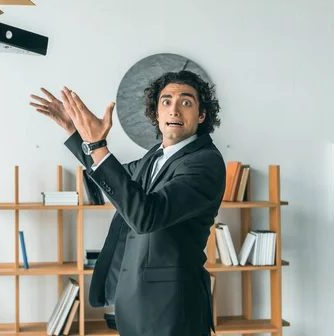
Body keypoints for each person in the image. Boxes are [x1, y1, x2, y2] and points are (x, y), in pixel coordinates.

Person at [29, 69, 226, 336]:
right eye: (166, 102)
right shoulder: (155, 155)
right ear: (156, 114)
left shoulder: (205, 162)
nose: (174, 110)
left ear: (202, 115)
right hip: (134, 302)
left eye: (186, 102)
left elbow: (146, 217)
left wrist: (97, 142)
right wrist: (76, 133)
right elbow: (115, 178)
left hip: (172, 309)